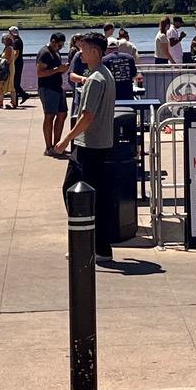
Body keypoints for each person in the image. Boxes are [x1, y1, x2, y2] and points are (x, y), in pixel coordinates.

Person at [54, 33, 118, 262]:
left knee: (79, 194)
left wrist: (64, 140)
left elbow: (87, 116)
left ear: (95, 52)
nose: (81, 52)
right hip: (95, 145)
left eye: (85, 48)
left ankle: (93, 245)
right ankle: (94, 244)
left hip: (89, 146)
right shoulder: (103, 75)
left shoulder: (96, 79)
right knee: (87, 194)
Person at [37, 32, 68, 157]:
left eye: (62, 46)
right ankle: (48, 147)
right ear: (53, 41)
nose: (60, 48)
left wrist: (61, 70)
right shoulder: (44, 53)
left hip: (58, 87)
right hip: (47, 88)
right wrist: (57, 70)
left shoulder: (56, 52)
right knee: (49, 116)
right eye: (59, 45)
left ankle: (57, 145)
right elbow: (40, 73)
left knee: (62, 114)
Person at [0, 26, 25, 110]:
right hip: (8, 68)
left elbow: (10, 58)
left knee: (10, 86)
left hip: (8, 69)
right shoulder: (11, 45)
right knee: (8, 85)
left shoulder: (11, 46)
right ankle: (7, 102)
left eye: (3, 39)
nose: (2, 40)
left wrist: (0, 61)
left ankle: (11, 102)